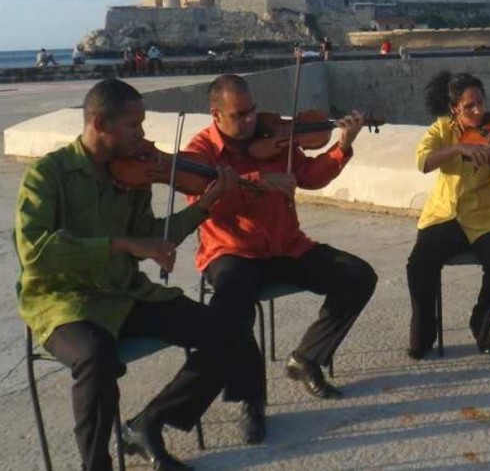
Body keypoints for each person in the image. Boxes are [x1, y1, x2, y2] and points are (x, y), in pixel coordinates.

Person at [15, 78, 242, 471]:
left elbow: (151, 237)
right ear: (100, 124)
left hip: (123, 294)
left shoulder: (131, 175)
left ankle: (149, 424)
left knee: (228, 333)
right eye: (133, 126)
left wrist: (205, 204)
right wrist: (120, 245)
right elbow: (36, 253)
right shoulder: (47, 175)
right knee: (95, 357)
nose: (142, 135)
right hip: (63, 302)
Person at [183, 75, 378, 444]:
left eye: (252, 110)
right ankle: (251, 399)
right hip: (231, 250)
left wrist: (343, 145)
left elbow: (311, 177)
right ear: (216, 114)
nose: (250, 121)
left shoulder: (276, 136)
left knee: (357, 276)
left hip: (286, 245)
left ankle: (306, 358)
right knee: (234, 307)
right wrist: (258, 181)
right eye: (239, 115)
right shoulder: (200, 152)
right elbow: (205, 206)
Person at [406, 71, 490, 359]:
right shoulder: (441, 129)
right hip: (446, 215)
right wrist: (458, 148)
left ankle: (481, 319)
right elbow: (423, 162)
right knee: (419, 263)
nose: (479, 111)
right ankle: (424, 330)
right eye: (470, 106)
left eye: (480, 103)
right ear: (455, 107)